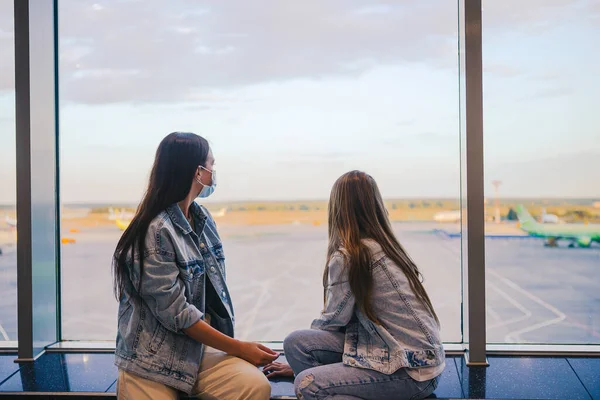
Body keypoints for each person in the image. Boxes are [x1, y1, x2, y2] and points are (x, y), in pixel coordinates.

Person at [112, 132, 278, 399]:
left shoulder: (202, 219)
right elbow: (178, 313)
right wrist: (239, 348)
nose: (214, 173)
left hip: (194, 352)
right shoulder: (155, 231)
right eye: (212, 165)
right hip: (151, 362)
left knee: (255, 386)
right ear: (198, 172)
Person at [264, 170, 444, 400]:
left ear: (338, 209)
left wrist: (313, 373)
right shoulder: (385, 246)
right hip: (412, 357)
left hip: (412, 373)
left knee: (308, 384)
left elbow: (332, 320)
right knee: (296, 343)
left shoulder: (351, 256)